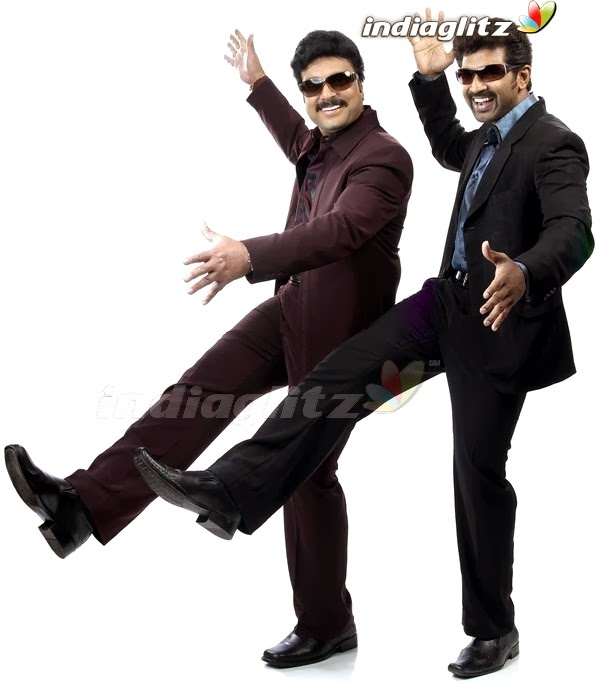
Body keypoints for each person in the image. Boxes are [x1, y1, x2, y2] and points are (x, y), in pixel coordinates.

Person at [129, 16, 593, 679]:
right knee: (334, 379)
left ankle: (495, 630)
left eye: (490, 73)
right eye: (468, 75)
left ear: (524, 75)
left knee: (477, 474)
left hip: (499, 322)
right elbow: (448, 146)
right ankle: (230, 489)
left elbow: (574, 231)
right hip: (444, 305)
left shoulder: (555, 144)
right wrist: (430, 79)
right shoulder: (488, 136)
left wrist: (524, 270)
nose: (476, 86)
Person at [4, 30, 413, 667]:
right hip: (292, 309)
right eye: (313, 86)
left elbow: (341, 229)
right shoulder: (320, 144)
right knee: (194, 395)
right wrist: (258, 84)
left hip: (347, 340)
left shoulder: (384, 158)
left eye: (340, 81)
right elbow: (294, 136)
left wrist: (249, 254)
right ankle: (81, 507)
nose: (327, 94)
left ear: (361, 83)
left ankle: (327, 624)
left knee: (308, 472)